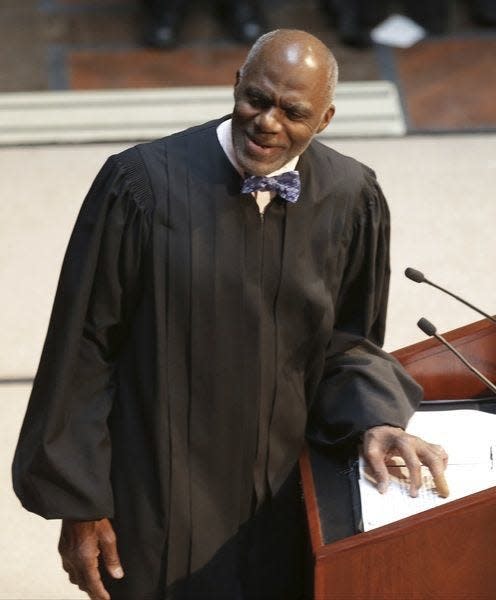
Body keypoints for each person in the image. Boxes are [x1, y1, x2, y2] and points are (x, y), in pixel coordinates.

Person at [12, 29, 448, 600]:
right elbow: (85, 349)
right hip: (158, 500)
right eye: (257, 99)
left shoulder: (351, 196)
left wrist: (378, 419)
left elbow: (348, 341)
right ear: (236, 83)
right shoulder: (140, 186)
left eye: (293, 112)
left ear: (325, 119)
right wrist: (82, 506)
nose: (268, 122)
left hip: (286, 502)